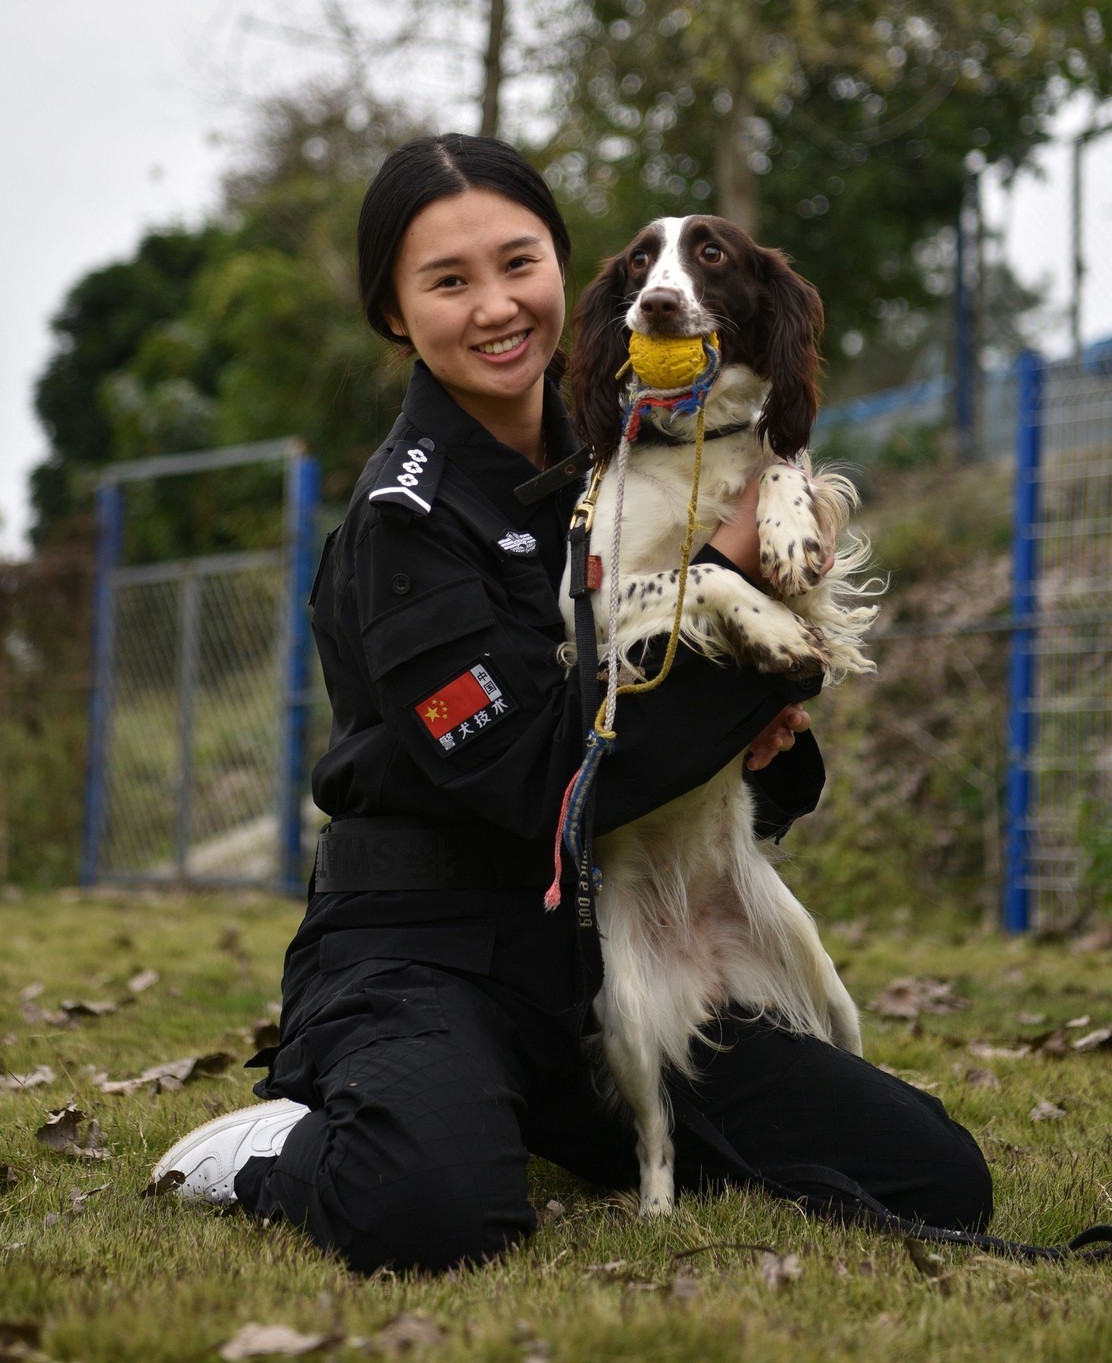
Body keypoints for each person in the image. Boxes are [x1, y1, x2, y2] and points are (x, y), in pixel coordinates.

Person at [153, 134, 992, 1273]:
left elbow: (689, 742)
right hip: (424, 949)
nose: (497, 307)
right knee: (434, 1214)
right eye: (448, 282)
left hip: (606, 949)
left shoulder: (633, 456)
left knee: (927, 1174)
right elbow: (550, 783)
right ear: (395, 315)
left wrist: (765, 739)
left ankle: (522, 1112)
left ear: (566, 270)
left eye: (520, 263)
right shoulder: (405, 529)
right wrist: (734, 594)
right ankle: (267, 1150)